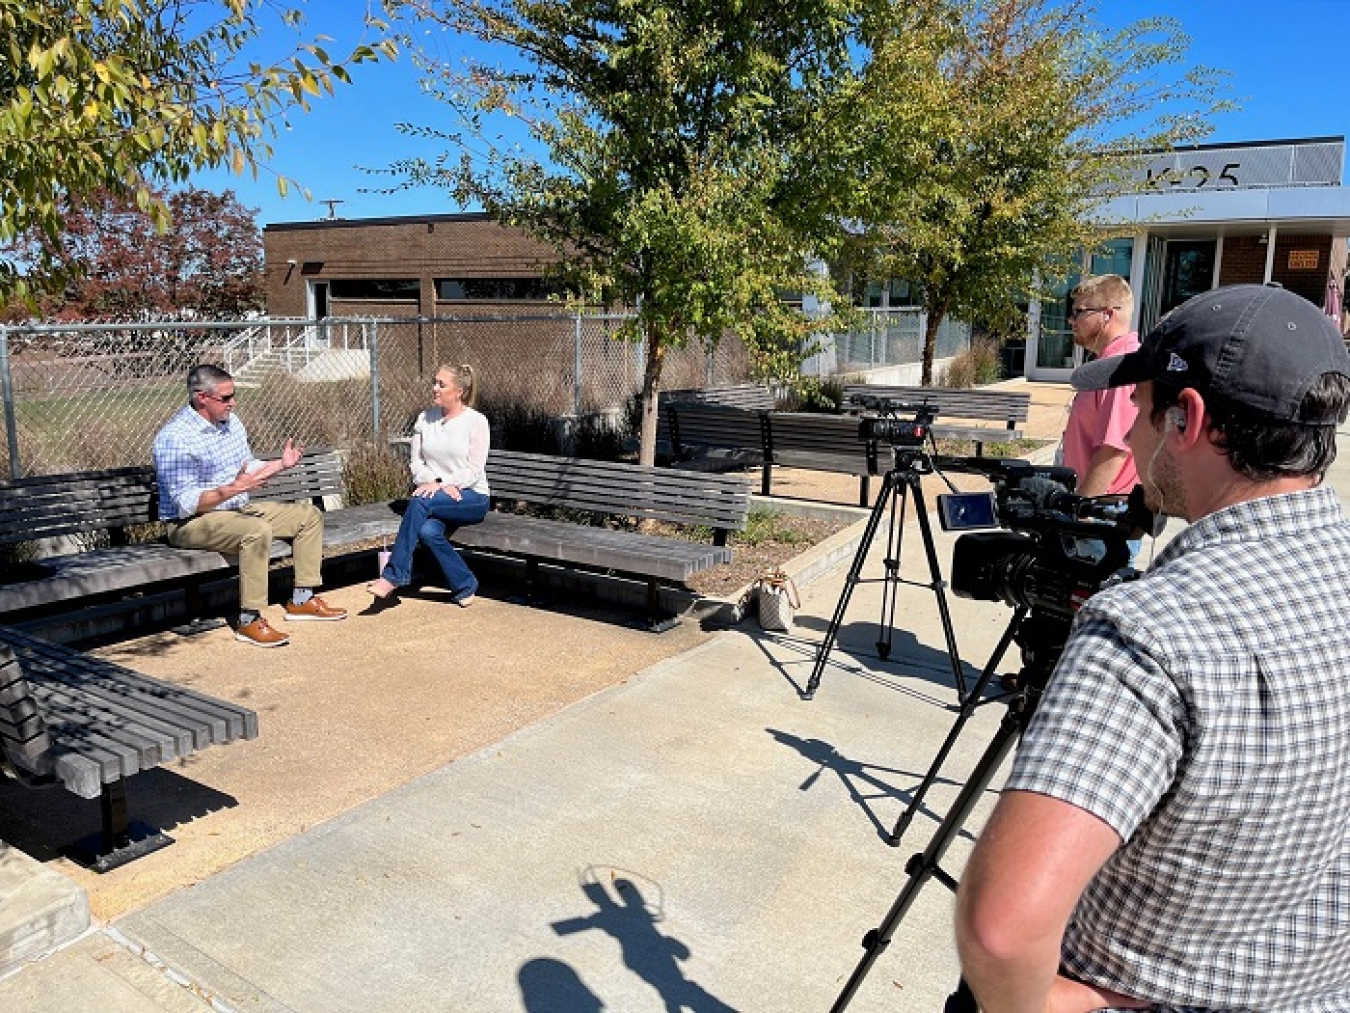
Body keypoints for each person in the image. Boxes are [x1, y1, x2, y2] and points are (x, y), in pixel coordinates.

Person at [954, 284, 1350, 1012]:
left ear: (1188, 418)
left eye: (1140, 407)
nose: (1134, 433)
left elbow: (1001, 932)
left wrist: (1059, 1003)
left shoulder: (1153, 629)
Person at [153, 365, 347, 647]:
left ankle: (302, 600)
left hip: (233, 511)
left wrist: (280, 465)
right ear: (201, 397)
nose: (234, 403)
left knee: (308, 516)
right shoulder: (175, 437)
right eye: (226, 397)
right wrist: (234, 488)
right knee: (256, 531)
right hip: (190, 523)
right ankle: (249, 620)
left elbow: (248, 468)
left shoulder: (231, 423)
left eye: (234, 395)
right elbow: (186, 503)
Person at [368, 364, 490, 606]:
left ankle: (394, 574)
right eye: (435, 382)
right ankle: (466, 585)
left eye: (441, 385)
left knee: (420, 500)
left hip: (471, 497)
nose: (434, 388)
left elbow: (474, 470)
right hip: (438, 495)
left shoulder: (476, 422)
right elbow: (416, 464)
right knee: (428, 532)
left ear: (459, 391)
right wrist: (437, 483)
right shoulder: (425, 418)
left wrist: (444, 482)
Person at [1060, 274, 1140, 497]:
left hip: (1102, 511)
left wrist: (1081, 512)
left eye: (1079, 312)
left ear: (1107, 315)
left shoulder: (1120, 369)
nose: (1071, 320)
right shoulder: (1109, 364)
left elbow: (1113, 450)